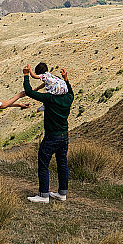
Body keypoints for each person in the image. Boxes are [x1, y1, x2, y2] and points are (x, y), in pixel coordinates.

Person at [22, 63, 74, 203]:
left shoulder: (50, 99)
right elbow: (71, 92)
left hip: (52, 136)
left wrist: (26, 75)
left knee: (43, 163)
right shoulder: (68, 98)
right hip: (64, 135)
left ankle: (43, 194)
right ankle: (62, 193)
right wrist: (66, 79)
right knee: (62, 163)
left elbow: (29, 92)